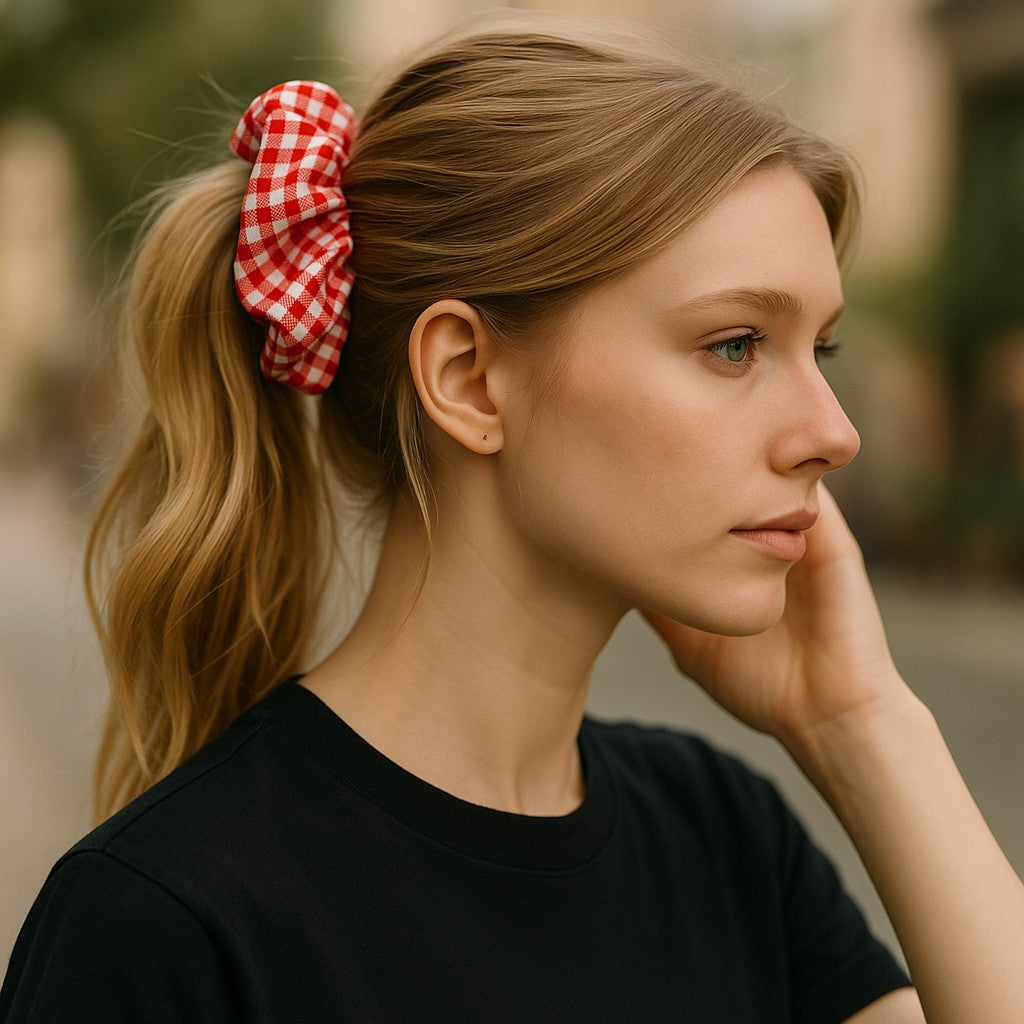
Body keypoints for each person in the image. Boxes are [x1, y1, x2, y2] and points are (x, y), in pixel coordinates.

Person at [2, 16, 1022, 1023]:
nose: (833, 433)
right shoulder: (167, 921)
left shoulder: (725, 839)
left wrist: (863, 727)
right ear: (469, 377)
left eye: (823, 350)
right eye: (735, 344)